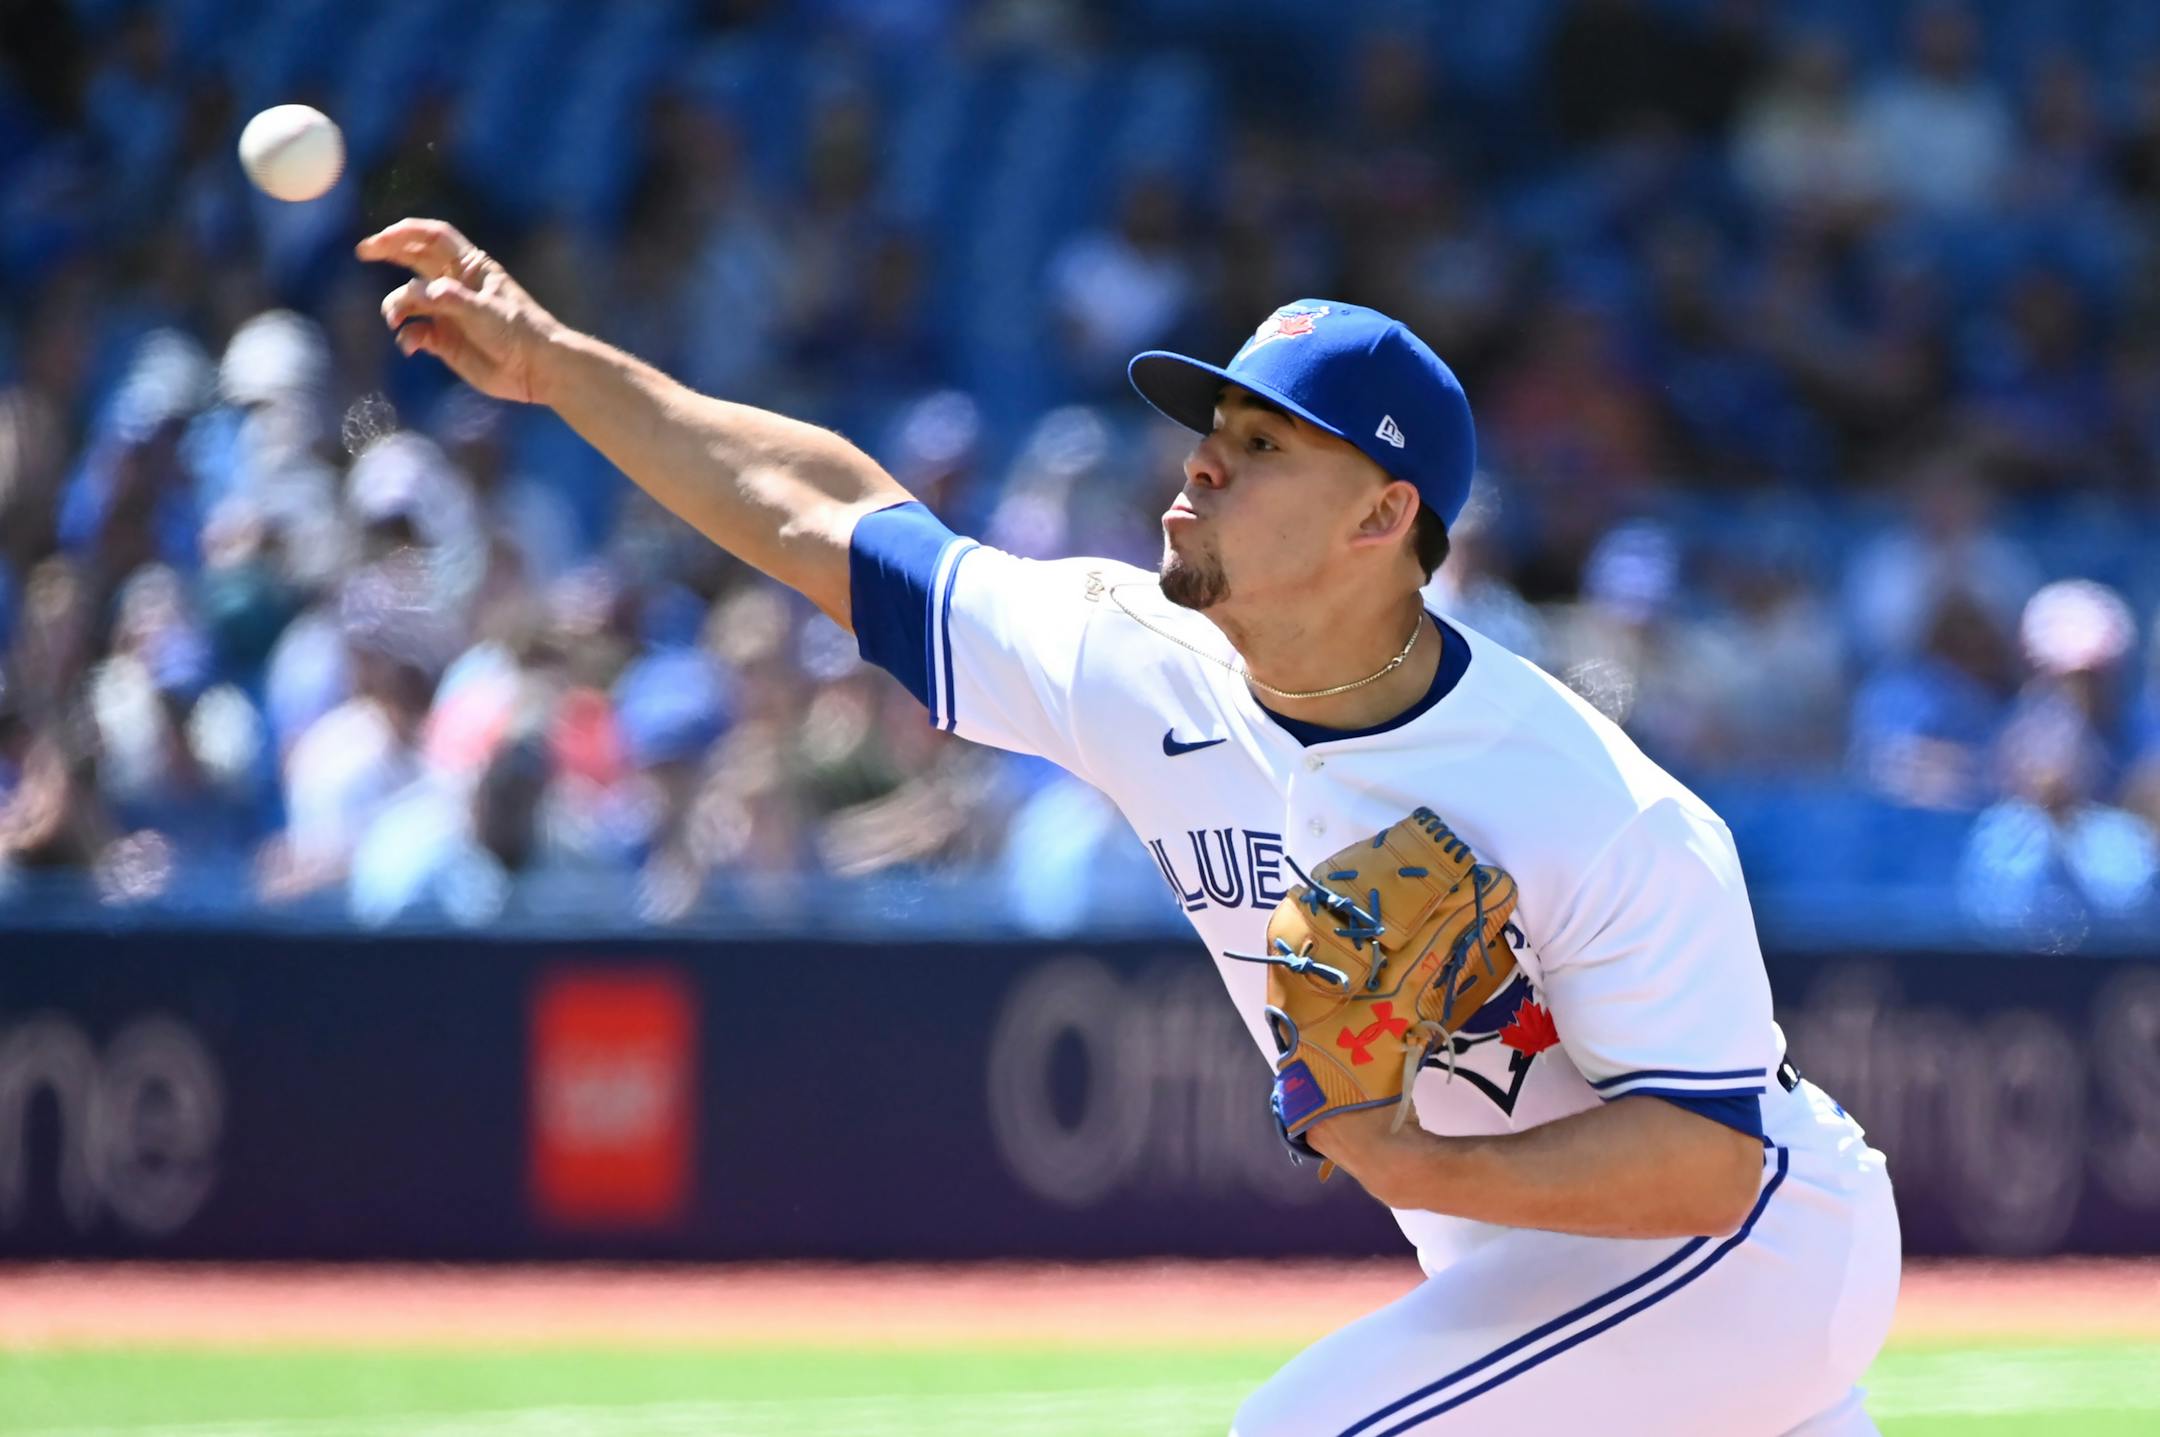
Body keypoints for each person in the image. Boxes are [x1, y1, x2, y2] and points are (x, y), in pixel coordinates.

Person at [360, 218, 1900, 1436]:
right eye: (1212, 418)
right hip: (1547, 1292)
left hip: (1742, 1257)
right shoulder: (1130, 658)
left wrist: (1400, 1154)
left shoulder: (1585, 799)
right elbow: (826, 511)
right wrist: (562, 368)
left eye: (1268, 442)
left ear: (1383, 520)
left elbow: (1710, 1163)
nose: (1205, 455)